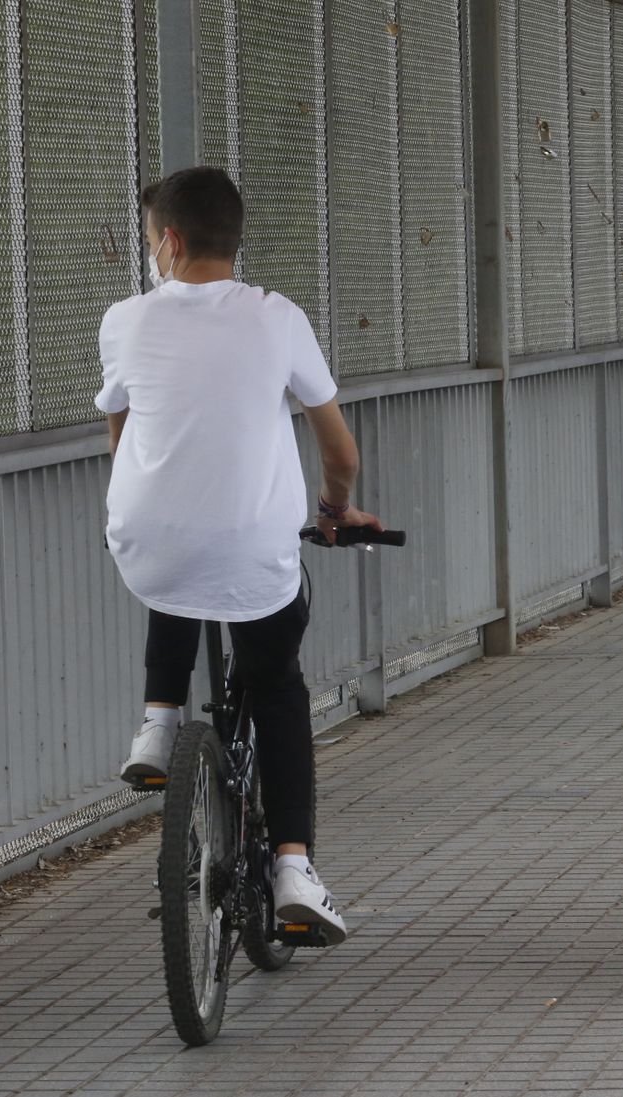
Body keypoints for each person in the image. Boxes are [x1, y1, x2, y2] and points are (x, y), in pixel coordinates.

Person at [98, 166, 380, 944]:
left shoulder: (124, 320)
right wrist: (335, 510)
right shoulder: (278, 318)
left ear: (171, 240)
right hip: (253, 549)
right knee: (278, 683)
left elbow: (123, 435)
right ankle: (293, 866)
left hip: (149, 540)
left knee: (174, 556)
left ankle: (159, 722)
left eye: (152, 240)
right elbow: (340, 452)